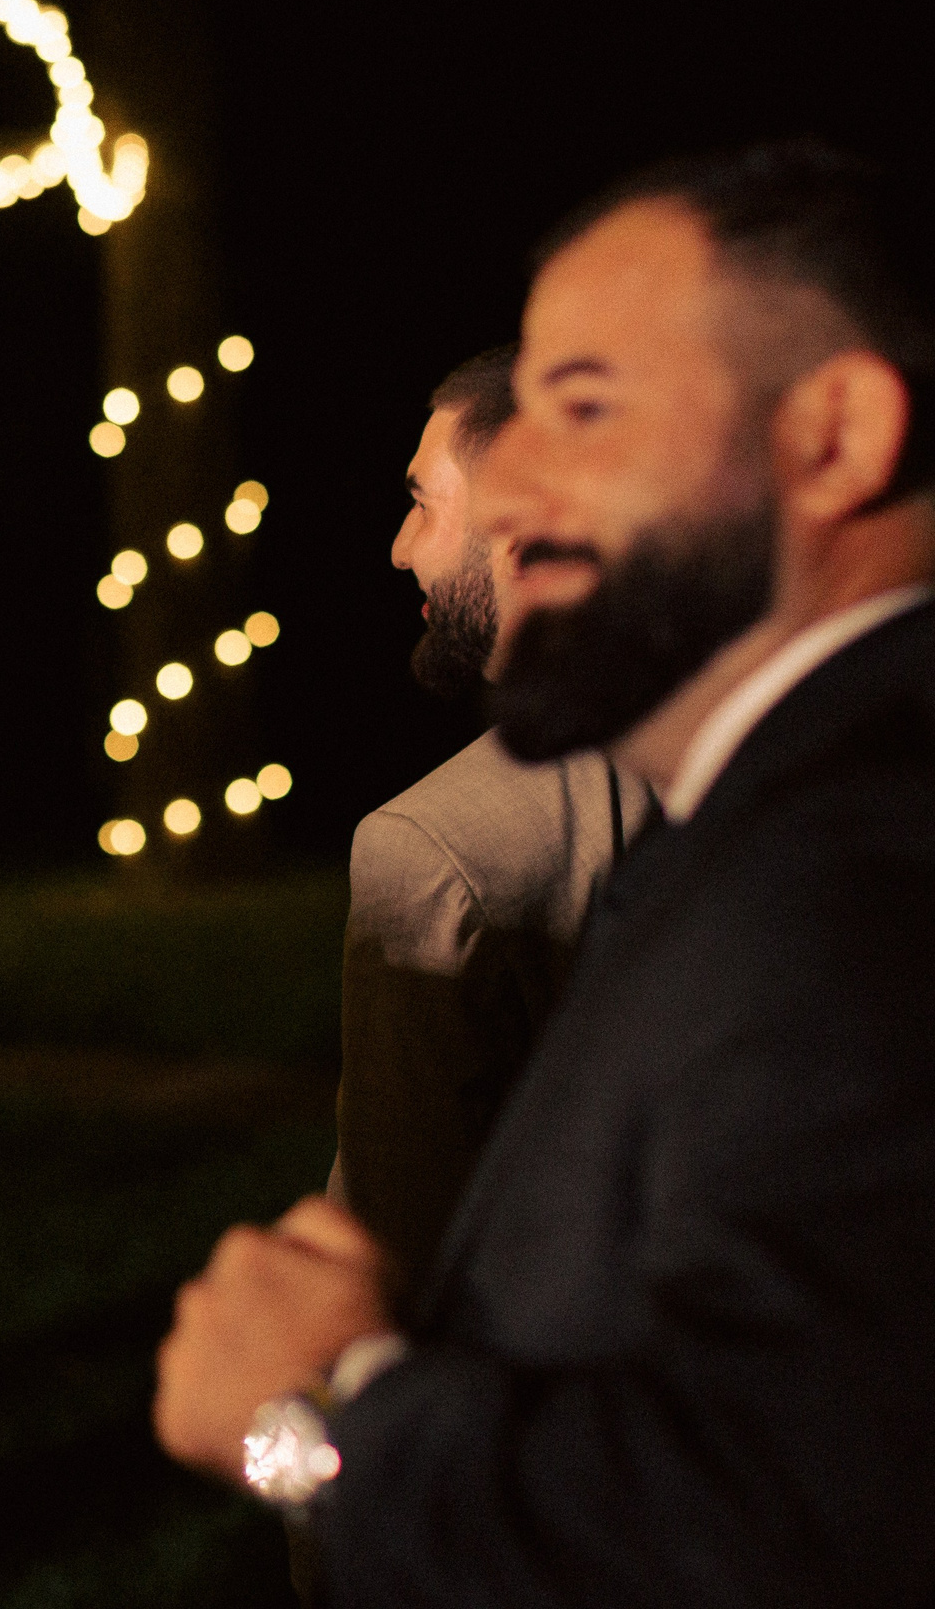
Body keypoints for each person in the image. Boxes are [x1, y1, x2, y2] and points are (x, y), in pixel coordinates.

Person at [153, 141, 935, 1603]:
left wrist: (312, 1419)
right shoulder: (764, 824)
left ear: (833, 438)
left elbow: (795, 1523)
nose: (505, 481)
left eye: (582, 404)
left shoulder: (854, 870)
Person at [332, 347, 654, 1296]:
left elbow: (396, 1245)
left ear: (519, 530)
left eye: (426, 501)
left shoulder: (434, 847)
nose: (400, 546)